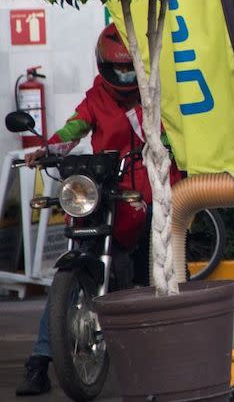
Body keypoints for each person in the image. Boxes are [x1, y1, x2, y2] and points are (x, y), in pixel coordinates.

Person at [16, 23, 162, 396]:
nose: (125, 77)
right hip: (106, 188)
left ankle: (159, 352)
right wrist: (47, 148)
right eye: (119, 70)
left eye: (131, 69)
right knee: (76, 258)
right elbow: (73, 130)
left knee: (157, 267)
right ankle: (39, 362)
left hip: (147, 192)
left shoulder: (155, 95)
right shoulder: (96, 98)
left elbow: (173, 134)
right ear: (104, 67)